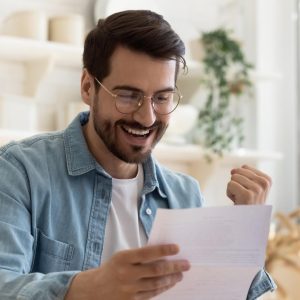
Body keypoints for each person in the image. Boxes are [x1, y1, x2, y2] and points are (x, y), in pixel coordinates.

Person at [0, 10, 275, 300]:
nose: (146, 118)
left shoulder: (184, 195)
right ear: (87, 87)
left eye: (162, 97)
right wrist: (91, 286)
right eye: (128, 95)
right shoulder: (20, 172)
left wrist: (245, 232)